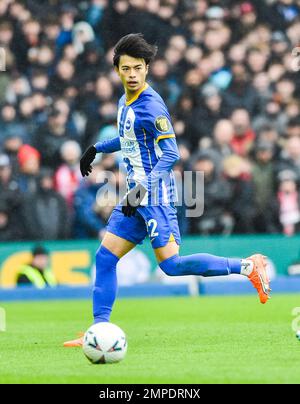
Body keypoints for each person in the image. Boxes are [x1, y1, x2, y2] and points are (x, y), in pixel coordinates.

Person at [63, 33, 271, 347]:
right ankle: (99, 330)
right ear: (117, 70)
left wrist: (141, 190)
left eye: (137, 68)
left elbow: (171, 153)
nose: (132, 75)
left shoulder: (152, 105)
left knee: (172, 266)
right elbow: (130, 137)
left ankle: (247, 266)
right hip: (136, 194)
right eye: (126, 69)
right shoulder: (124, 101)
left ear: (147, 68)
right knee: (105, 258)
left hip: (154, 195)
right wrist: (97, 148)